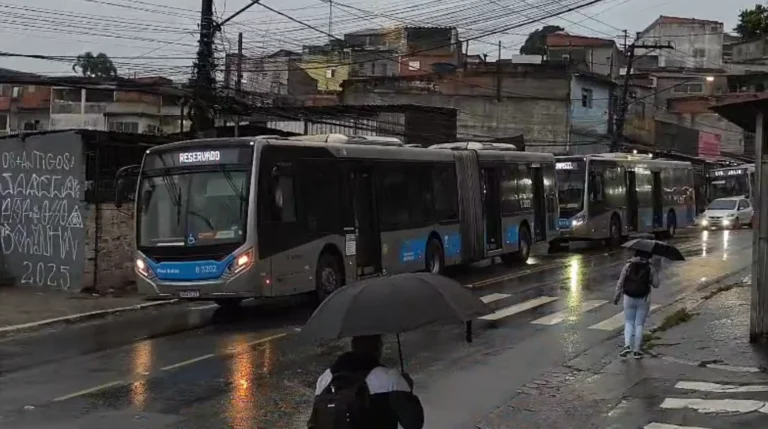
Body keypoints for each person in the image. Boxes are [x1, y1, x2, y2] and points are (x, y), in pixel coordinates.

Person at [308, 335, 424, 429]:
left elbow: (314, 421)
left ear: (353, 346)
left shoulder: (326, 377)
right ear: (378, 347)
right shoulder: (390, 378)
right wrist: (408, 390)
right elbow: (413, 423)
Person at [613, 250, 659, 359]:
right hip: (644, 298)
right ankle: (637, 351)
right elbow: (656, 284)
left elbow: (621, 282)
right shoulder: (650, 267)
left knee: (628, 322)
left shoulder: (628, 265)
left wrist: (617, 296)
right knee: (639, 324)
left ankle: (627, 345)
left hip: (628, 297)